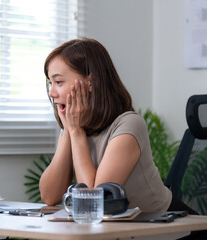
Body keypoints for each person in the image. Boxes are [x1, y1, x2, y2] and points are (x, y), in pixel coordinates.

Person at [39, 37, 173, 212]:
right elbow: (50, 196)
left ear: (91, 82)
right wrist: (68, 132)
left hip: (165, 226)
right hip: (115, 229)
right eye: (50, 83)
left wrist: (76, 131)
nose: (51, 93)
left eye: (58, 82)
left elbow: (95, 201)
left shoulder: (129, 124)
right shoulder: (74, 127)